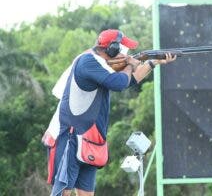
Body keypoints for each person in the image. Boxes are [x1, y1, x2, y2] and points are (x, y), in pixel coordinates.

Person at [41, 29, 176, 196]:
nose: (126, 53)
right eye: (122, 48)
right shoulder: (87, 61)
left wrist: (152, 63)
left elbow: (128, 81)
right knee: (63, 193)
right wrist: (130, 66)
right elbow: (119, 83)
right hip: (71, 138)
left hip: (91, 141)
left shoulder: (103, 66)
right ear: (112, 49)